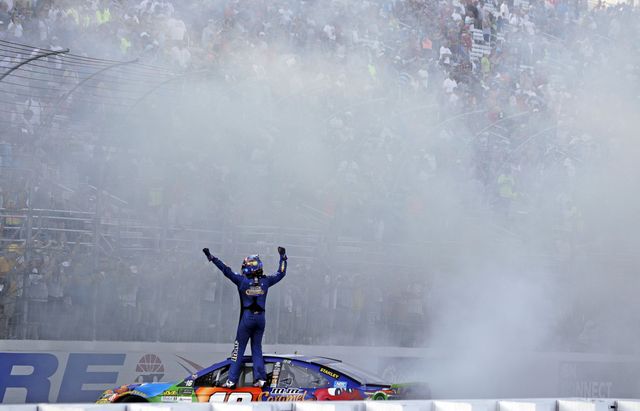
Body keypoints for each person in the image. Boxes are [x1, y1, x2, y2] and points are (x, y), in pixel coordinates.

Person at [202, 246, 287, 388]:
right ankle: (260, 379)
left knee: (238, 348)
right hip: (261, 319)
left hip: (247, 319)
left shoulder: (241, 281)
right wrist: (283, 257)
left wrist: (212, 258)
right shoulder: (266, 281)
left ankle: (231, 380)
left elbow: (226, 270)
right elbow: (281, 272)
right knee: (257, 348)